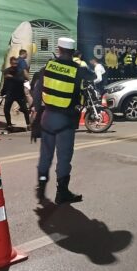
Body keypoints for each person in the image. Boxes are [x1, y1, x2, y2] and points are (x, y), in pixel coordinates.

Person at [31, 37, 95, 204]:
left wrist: (37, 111)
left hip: (47, 117)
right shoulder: (77, 69)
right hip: (65, 120)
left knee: (45, 156)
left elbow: (37, 91)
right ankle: (62, 193)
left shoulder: (48, 66)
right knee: (64, 158)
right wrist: (83, 65)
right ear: (73, 52)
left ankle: (41, 187)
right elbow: (93, 76)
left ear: (58, 49)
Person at [1, 56, 30, 132]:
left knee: (25, 110)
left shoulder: (20, 71)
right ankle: (9, 125)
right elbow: (5, 83)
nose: (15, 65)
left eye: (16, 63)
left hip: (19, 94)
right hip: (10, 93)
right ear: (11, 63)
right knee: (6, 110)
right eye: (13, 63)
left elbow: (21, 80)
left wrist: (11, 77)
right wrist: (2, 92)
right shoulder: (6, 71)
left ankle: (28, 124)